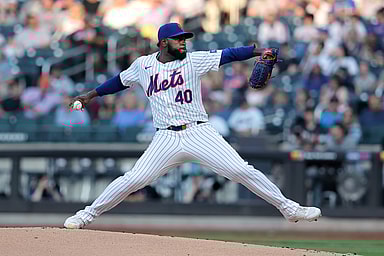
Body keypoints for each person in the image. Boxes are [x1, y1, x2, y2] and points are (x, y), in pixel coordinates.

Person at [64, 23, 321, 229]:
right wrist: (89, 95)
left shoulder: (193, 60)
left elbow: (228, 54)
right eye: (179, 38)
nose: (184, 41)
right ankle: (85, 215)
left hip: (199, 132)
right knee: (133, 179)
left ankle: (289, 209)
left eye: (184, 37)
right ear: (164, 43)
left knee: (242, 170)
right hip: (165, 138)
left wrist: (257, 51)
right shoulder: (143, 65)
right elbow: (118, 82)